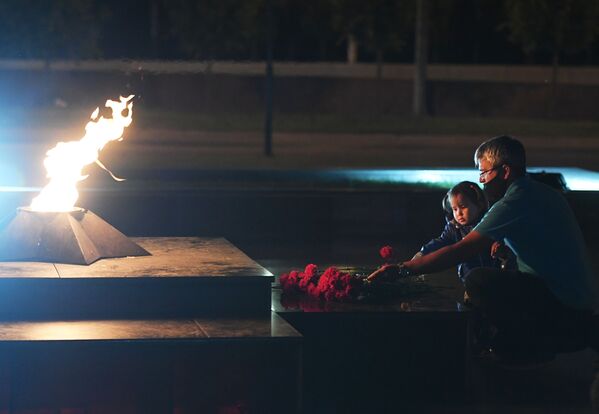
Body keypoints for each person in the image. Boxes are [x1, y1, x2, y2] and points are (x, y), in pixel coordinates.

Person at [369, 135, 599, 360]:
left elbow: (461, 249)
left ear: (505, 172)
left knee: (480, 281)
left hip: (565, 306)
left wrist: (402, 269)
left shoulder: (514, 202)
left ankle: (534, 346)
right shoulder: (541, 192)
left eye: (484, 172)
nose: (481, 181)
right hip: (579, 299)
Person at [416, 181, 503, 285]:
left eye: (463, 207)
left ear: (479, 205)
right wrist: (423, 253)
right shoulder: (454, 228)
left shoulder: (489, 223)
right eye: (455, 209)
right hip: (469, 279)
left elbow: (503, 238)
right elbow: (441, 242)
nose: (459, 213)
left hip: (494, 277)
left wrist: (499, 245)